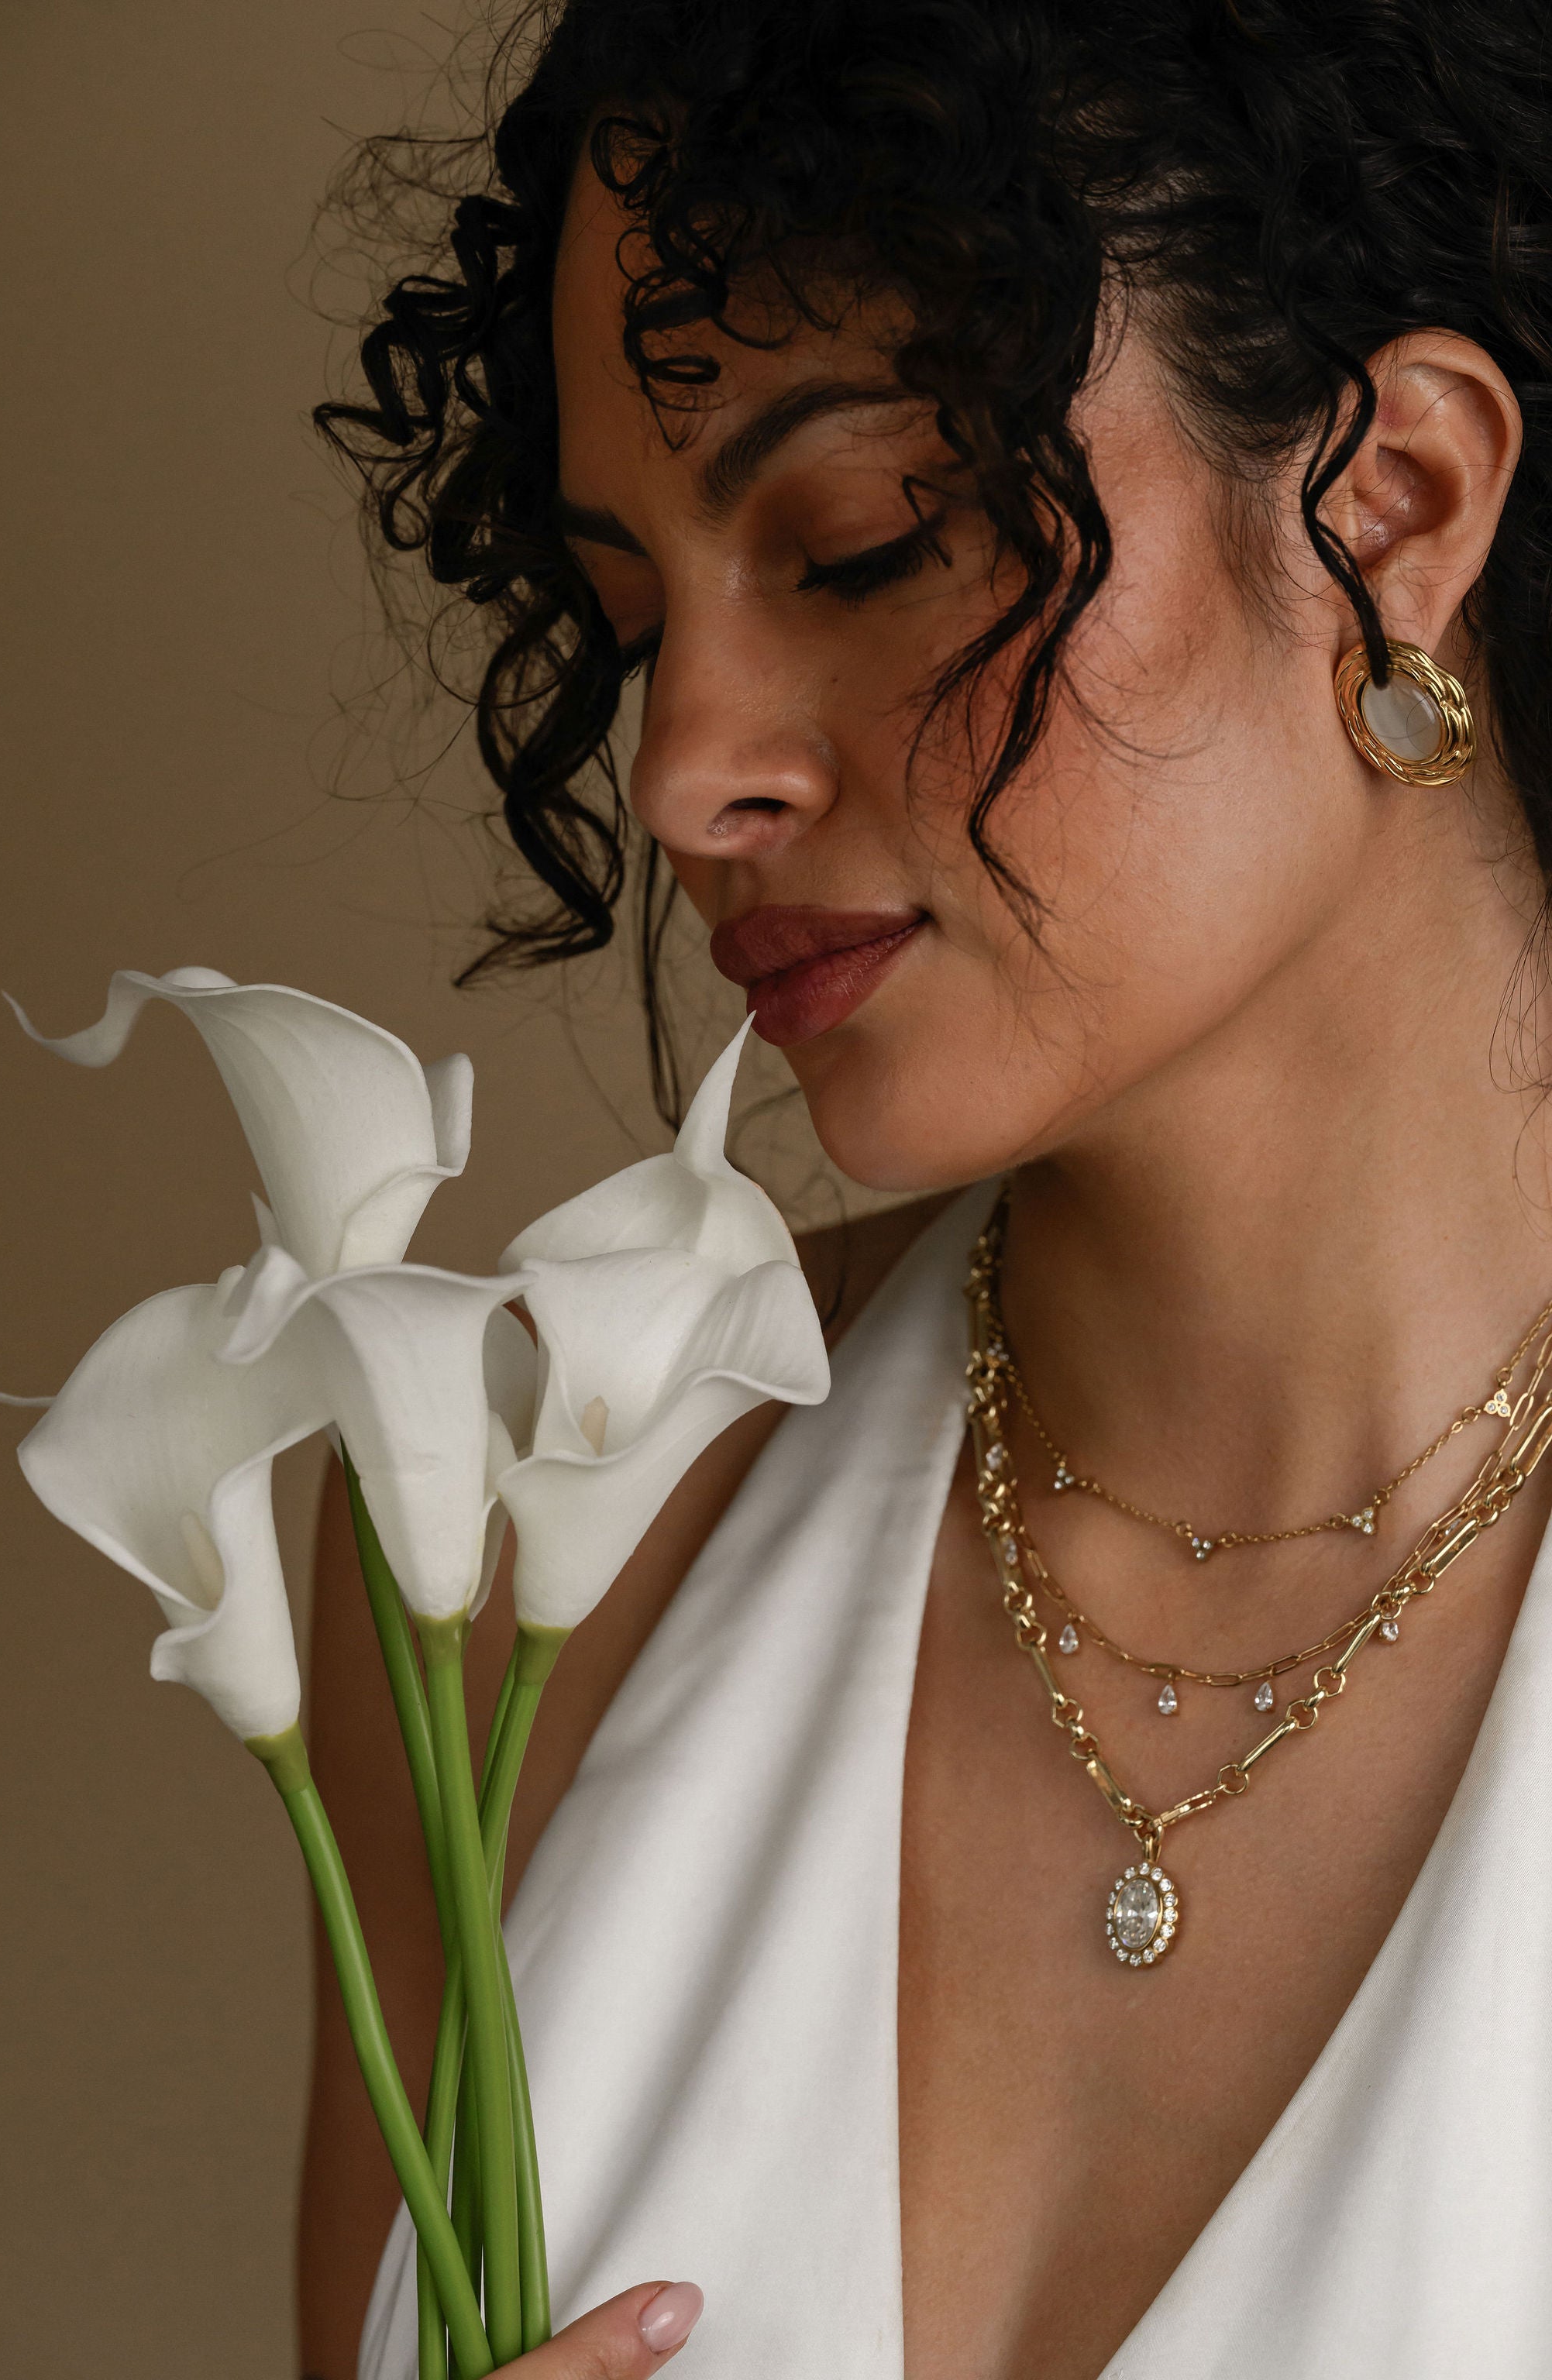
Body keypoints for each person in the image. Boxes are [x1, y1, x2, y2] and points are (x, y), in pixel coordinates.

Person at [300, 2, 1552, 2374]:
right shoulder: (509, 1536)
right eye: (635, 616)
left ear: (1391, 506)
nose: (685, 770)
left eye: (863, 543)